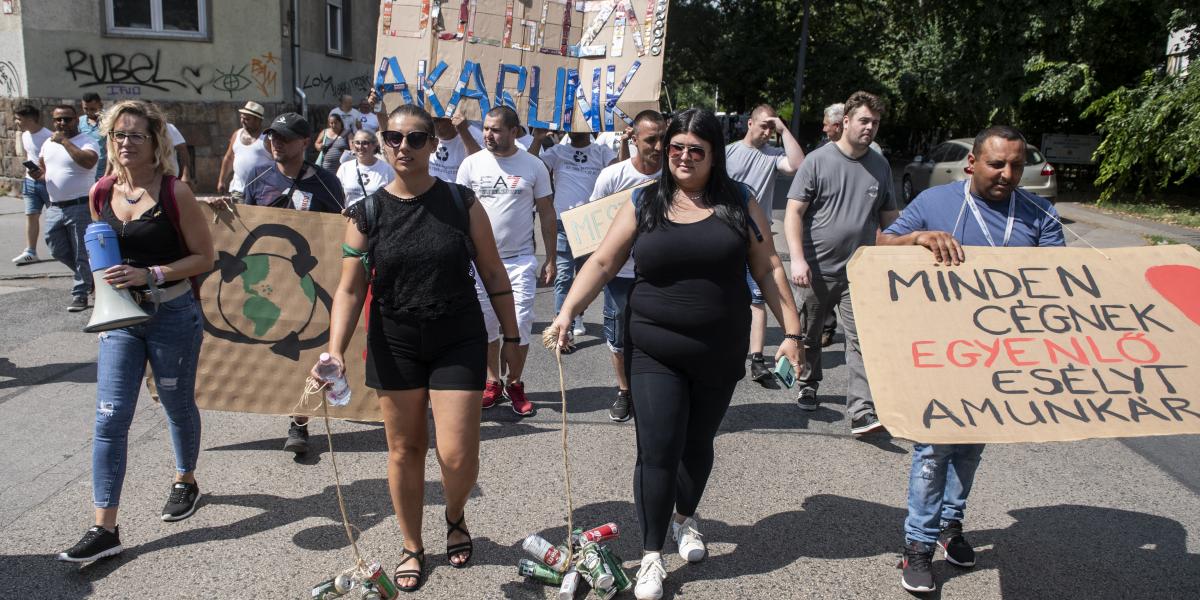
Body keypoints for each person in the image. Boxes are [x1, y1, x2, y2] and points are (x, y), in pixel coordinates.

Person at [551, 108, 803, 600]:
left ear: (714, 155)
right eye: (676, 149)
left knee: (697, 444)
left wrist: (792, 333)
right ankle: (650, 555)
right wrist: (566, 312)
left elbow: (769, 265)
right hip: (653, 347)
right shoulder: (644, 201)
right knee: (658, 448)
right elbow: (603, 260)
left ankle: (686, 519)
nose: (684, 158)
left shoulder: (739, 201)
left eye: (696, 150)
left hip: (719, 347)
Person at [316, 103, 520, 593]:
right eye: (393, 138)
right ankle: (411, 544)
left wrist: (512, 339)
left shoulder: (461, 202)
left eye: (415, 139)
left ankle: (454, 514)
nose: (402, 147)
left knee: (456, 455)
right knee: (405, 449)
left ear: (434, 144)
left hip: (458, 336)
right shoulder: (366, 213)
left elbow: (493, 273)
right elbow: (348, 289)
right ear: (383, 143)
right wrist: (335, 350)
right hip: (395, 338)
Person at [879, 125, 1064, 593]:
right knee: (933, 449)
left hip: (998, 362)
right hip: (940, 355)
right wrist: (917, 240)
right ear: (971, 164)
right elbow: (880, 247)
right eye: (997, 164)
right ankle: (916, 547)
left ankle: (950, 527)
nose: (1007, 174)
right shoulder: (933, 204)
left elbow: (1062, 282)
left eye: (1017, 166)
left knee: (969, 450)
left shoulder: (1040, 213)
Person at [57, 99, 215, 563]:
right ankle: (105, 527)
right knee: (110, 418)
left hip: (172, 316)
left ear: (155, 142)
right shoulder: (101, 191)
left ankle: (185, 479)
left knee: (176, 403)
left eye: (135, 135)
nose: (126, 143)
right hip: (120, 322)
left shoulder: (173, 192)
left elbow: (204, 259)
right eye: (118, 135)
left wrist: (152, 274)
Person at [783, 90, 898, 431]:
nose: (869, 128)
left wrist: (897, 258)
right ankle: (807, 383)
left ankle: (861, 410)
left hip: (859, 273)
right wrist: (798, 260)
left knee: (862, 338)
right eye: (864, 120)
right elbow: (793, 213)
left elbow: (891, 219)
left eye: (875, 123)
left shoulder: (880, 166)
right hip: (817, 270)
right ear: (845, 121)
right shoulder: (818, 161)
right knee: (809, 334)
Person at [237, 112, 346, 453]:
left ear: (304, 141)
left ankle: (299, 422)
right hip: (265, 282)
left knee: (305, 351)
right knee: (269, 349)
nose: (276, 143)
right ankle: (271, 401)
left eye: (284, 137)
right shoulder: (258, 177)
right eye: (272, 137)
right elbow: (242, 226)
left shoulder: (326, 181)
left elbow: (340, 230)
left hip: (308, 284)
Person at [456, 106, 555, 416]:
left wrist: (551, 258)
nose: (488, 134)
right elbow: (460, 214)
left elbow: (548, 214)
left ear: (515, 132)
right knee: (486, 327)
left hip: (519, 261)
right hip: (480, 263)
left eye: (496, 129)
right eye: (486, 128)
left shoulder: (533, 165)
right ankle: (492, 382)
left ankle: (514, 382)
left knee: (521, 325)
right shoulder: (471, 165)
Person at [578, 110, 666, 422]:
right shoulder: (613, 176)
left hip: (661, 275)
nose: (658, 146)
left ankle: (656, 392)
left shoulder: (674, 176)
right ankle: (625, 391)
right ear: (634, 140)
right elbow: (593, 222)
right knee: (618, 337)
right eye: (650, 140)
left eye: (663, 139)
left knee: (660, 335)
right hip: (621, 275)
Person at [724, 104, 805, 384]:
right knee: (728, 296)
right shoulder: (729, 152)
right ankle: (728, 350)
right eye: (764, 126)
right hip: (727, 233)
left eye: (772, 128)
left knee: (758, 299)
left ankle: (757, 359)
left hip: (759, 237)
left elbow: (797, 165)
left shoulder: (773, 155)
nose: (768, 132)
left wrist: (783, 130)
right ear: (749, 123)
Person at [531, 128, 617, 343]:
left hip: (591, 222)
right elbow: (529, 166)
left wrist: (624, 143)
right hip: (563, 222)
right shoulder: (558, 151)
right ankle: (562, 322)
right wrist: (537, 139)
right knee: (563, 276)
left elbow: (619, 170)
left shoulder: (601, 151)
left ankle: (578, 315)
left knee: (587, 276)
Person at [38, 104, 101, 312]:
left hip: (80, 204)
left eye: (67, 119)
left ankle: (80, 294)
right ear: (52, 121)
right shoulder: (48, 143)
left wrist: (65, 142)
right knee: (56, 248)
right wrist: (37, 174)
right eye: (58, 120)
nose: (62, 123)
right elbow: (43, 168)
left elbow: (88, 162)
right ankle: (90, 278)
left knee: (81, 252)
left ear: (76, 120)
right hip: (55, 206)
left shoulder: (87, 141)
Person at [11, 104, 52, 265]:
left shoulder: (48, 136)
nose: (17, 122)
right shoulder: (24, 135)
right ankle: (30, 251)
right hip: (29, 181)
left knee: (55, 217)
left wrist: (44, 175)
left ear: (30, 119)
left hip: (47, 183)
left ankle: (63, 248)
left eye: (19, 119)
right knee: (31, 215)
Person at [216, 101, 273, 195]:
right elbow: (229, 158)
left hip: (263, 192)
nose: (242, 121)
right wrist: (221, 181)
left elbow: (279, 163)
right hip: (238, 191)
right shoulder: (236, 134)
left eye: (247, 119)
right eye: (242, 118)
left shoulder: (267, 138)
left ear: (258, 120)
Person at [337, 129, 395, 207]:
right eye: (357, 143)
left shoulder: (387, 169)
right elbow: (338, 195)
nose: (360, 147)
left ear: (374, 145)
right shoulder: (344, 168)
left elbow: (393, 199)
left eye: (365, 143)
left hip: (377, 218)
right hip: (351, 217)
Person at [429, 113, 482, 183]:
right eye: (432, 120)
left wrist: (463, 131)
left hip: (459, 191)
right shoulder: (425, 133)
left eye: (439, 120)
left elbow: (477, 164)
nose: (436, 125)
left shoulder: (475, 135)